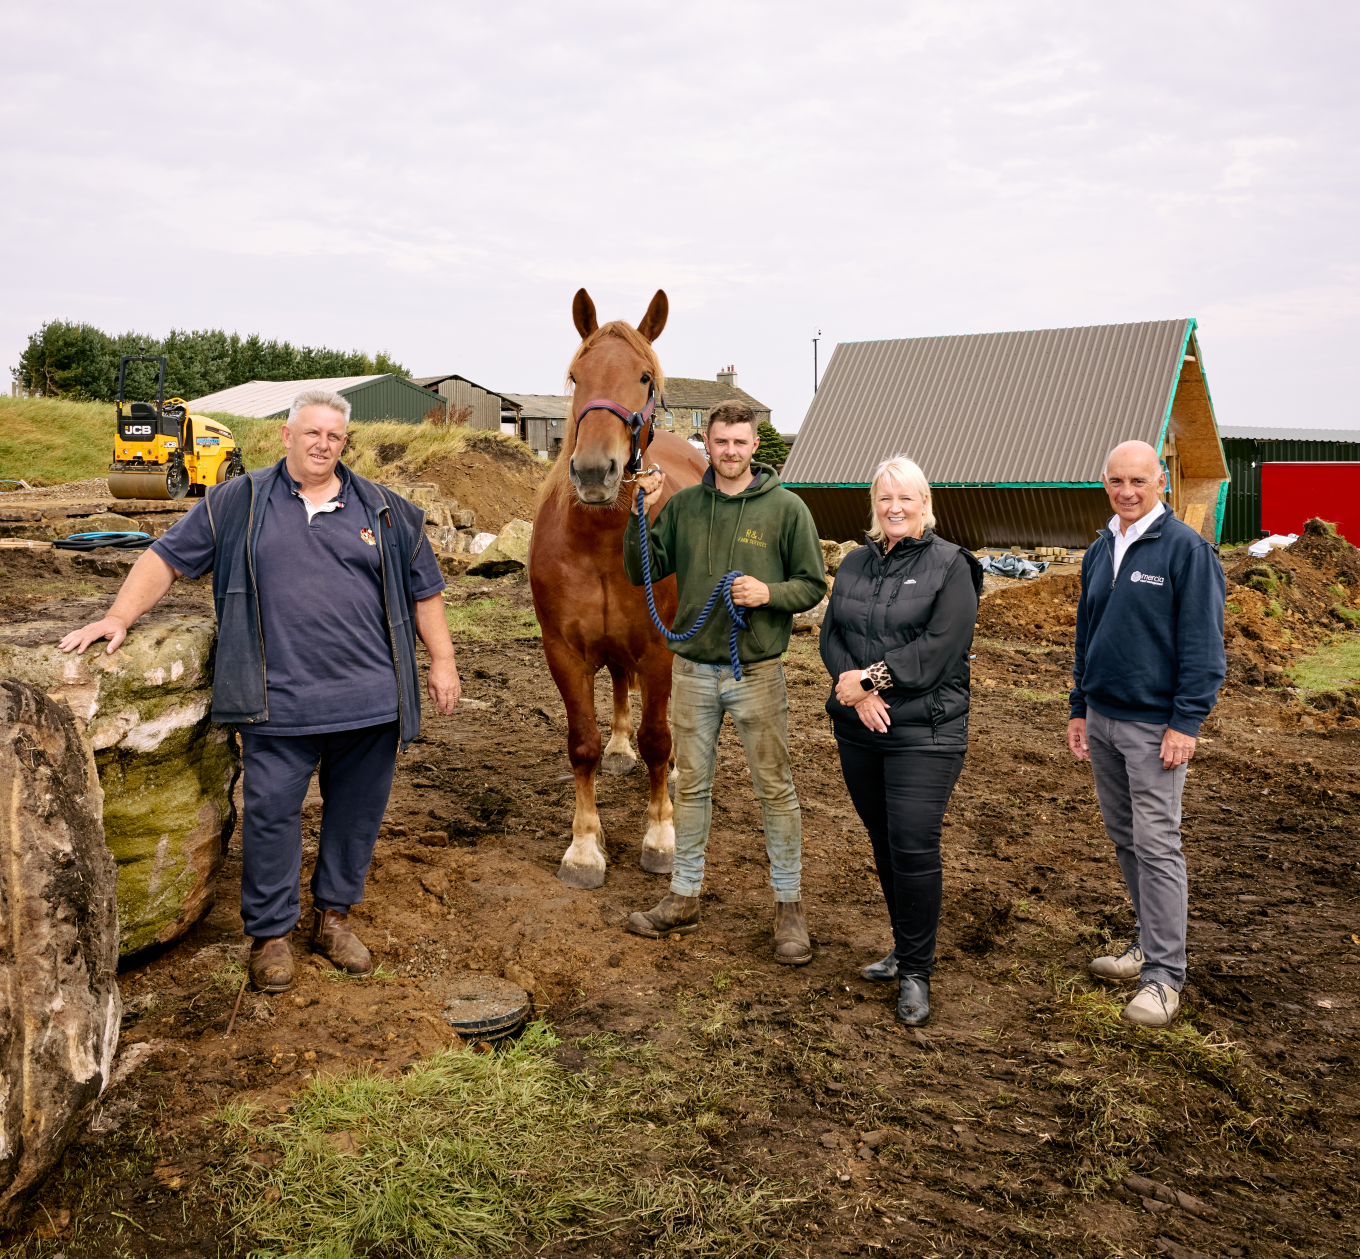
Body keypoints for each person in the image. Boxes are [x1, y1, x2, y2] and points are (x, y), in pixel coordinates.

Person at [60, 390, 461, 994]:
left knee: (355, 818)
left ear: (344, 443)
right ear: (287, 436)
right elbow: (165, 559)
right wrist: (119, 616)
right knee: (271, 817)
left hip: (370, 701)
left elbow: (425, 590)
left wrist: (443, 660)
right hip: (276, 702)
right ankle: (271, 934)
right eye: (312, 433)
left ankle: (334, 918)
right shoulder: (236, 502)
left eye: (335, 436)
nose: (323, 444)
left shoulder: (386, 511)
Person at [620, 400, 827, 963]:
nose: (730, 451)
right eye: (721, 442)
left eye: (740, 442)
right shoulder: (683, 506)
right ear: (706, 444)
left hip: (756, 672)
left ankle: (788, 907)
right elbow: (640, 570)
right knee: (689, 786)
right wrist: (639, 512)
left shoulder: (787, 510)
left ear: (754, 445)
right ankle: (684, 894)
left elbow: (812, 584)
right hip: (691, 671)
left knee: (775, 790)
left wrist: (768, 594)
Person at [1067, 440, 1226, 1028]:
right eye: (1116, 482)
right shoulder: (1102, 546)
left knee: (1158, 844)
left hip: (1156, 725)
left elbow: (1205, 646)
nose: (1127, 492)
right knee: (1127, 838)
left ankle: (1164, 977)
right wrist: (1080, 706)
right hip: (1103, 719)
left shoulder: (1187, 551)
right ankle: (1146, 943)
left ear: (1160, 480)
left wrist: (1186, 722)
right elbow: (1088, 634)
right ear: (1103, 483)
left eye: (1139, 480)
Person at [820, 457, 981, 1028]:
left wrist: (874, 679)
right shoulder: (857, 562)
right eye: (885, 498)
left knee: (913, 841)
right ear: (874, 504)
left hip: (926, 731)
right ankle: (903, 947)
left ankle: (916, 970)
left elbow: (941, 648)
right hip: (860, 729)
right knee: (885, 839)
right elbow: (833, 632)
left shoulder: (951, 565)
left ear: (924, 503)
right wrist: (857, 693)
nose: (895, 508)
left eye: (905, 498)